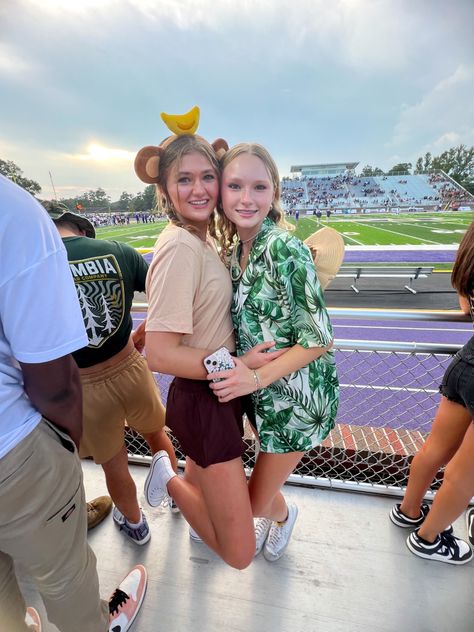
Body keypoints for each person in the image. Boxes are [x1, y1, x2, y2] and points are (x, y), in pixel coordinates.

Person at [0, 174, 146, 631]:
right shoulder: (15, 212)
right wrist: (65, 450)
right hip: (15, 447)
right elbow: (54, 384)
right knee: (65, 580)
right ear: (84, 229)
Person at [134, 125, 284, 569]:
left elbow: (188, 311)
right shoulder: (182, 246)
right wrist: (237, 364)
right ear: (164, 189)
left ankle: (189, 491)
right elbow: (159, 356)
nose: (198, 189)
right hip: (207, 397)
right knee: (238, 553)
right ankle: (167, 476)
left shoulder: (200, 238)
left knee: (217, 502)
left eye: (206, 176)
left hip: (216, 392)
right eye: (184, 179)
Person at [211, 143, 340, 561]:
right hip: (263, 396)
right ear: (222, 193)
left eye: (258, 187)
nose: (246, 198)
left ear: (274, 194)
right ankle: (281, 510)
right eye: (235, 186)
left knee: (248, 507)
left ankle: (284, 516)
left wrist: (254, 377)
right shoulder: (237, 252)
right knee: (256, 489)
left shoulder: (284, 248)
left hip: (297, 401)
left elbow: (319, 338)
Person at [44, 202, 178, 544]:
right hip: (130, 364)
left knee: (114, 464)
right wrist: (142, 335)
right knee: (157, 437)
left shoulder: (37, 268)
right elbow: (167, 299)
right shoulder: (117, 250)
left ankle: (136, 525)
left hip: (84, 383)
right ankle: (178, 496)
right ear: (82, 228)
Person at [389, 222, 474, 565]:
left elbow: (466, 309)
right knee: (464, 475)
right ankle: (429, 539)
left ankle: (409, 511)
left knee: (434, 450)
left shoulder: (468, 265)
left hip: (465, 363)